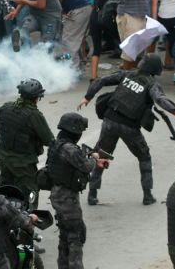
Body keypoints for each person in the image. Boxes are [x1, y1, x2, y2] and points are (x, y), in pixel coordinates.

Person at [77, 54, 175, 206]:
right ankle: (147, 195)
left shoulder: (127, 74)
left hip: (109, 121)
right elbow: (160, 99)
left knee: (101, 155)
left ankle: (92, 194)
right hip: (129, 126)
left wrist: (87, 97)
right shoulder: (151, 84)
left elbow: (101, 80)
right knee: (144, 157)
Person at [46, 113, 109, 269]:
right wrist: (94, 158)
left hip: (57, 195)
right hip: (67, 198)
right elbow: (86, 166)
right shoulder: (69, 149)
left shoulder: (56, 144)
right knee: (76, 236)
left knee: (64, 236)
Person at [0, 79, 54, 207]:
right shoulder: (34, 115)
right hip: (24, 164)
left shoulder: (5, 108)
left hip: (4, 160)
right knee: (30, 195)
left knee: (4, 192)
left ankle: (2, 219)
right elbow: (49, 140)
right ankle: (28, 223)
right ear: (36, 97)